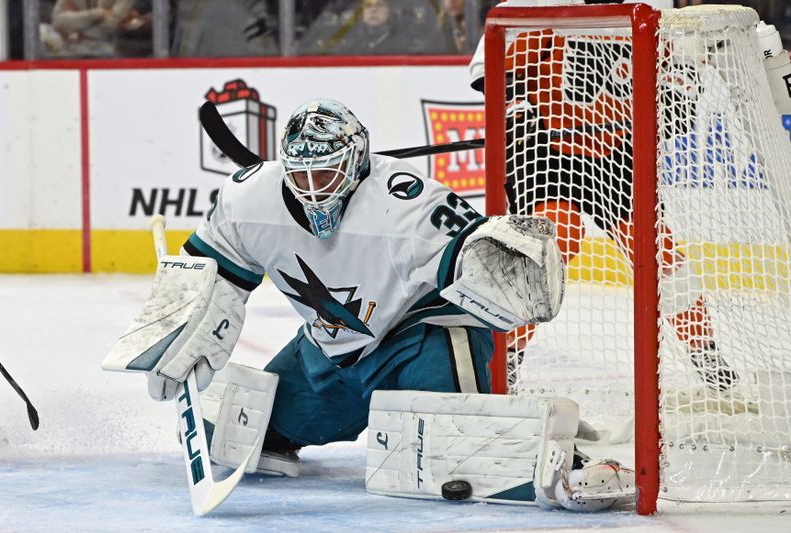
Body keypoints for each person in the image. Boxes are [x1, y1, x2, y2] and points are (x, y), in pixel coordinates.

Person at [106, 98, 639, 510]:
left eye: (327, 174)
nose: (313, 190)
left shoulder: (407, 202)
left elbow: (475, 260)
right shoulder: (248, 198)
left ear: (357, 161)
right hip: (327, 353)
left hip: (414, 342)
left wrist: (501, 255)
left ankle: (567, 458)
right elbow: (211, 270)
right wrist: (178, 320)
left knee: (465, 456)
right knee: (251, 435)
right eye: (302, 175)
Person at [469, 0, 747, 391]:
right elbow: (491, 75)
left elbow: (680, 96)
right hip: (547, 149)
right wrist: (522, 109)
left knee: (657, 251)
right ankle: (506, 355)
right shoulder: (542, 4)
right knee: (552, 239)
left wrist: (662, 110)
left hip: (615, 153)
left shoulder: (659, 6)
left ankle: (703, 348)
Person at [51, 0, 138, 58]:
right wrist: (99, 14)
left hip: (112, 52)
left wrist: (82, 29)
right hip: (71, 52)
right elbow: (59, 22)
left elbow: (114, 22)